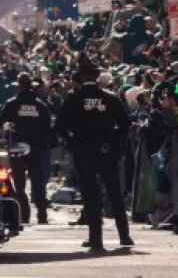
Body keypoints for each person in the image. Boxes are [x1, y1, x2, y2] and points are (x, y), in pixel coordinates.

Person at [54, 54, 134, 251]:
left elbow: (59, 127)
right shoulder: (110, 98)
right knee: (115, 193)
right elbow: (126, 123)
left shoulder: (73, 99)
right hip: (106, 150)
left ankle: (96, 239)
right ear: (97, 77)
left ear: (81, 77)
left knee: (91, 195)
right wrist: (117, 145)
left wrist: (72, 140)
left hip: (83, 151)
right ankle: (124, 236)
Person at [0, 72, 52, 224]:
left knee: (20, 185)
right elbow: (47, 128)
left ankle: (24, 215)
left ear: (19, 87)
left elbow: (2, 123)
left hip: (17, 149)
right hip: (36, 149)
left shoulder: (11, 104)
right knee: (38, 183)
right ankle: (42, 216)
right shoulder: (40, 106)